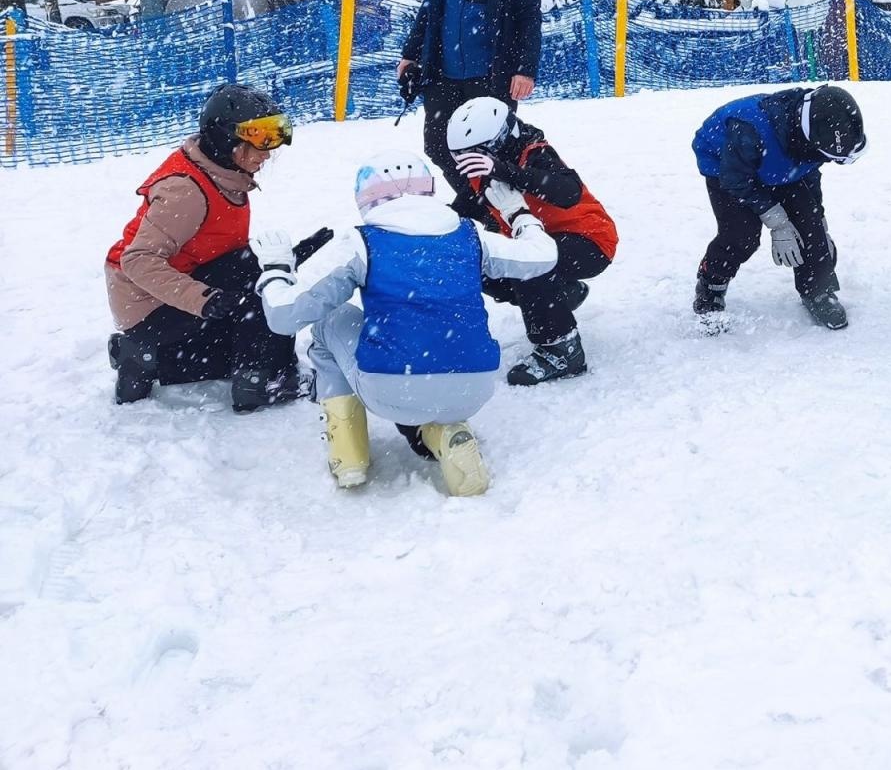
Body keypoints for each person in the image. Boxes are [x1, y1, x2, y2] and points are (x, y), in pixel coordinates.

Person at [253, 152, 559, 496]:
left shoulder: (361, 242)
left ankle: (349, 456)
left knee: (329, 320)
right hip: (474, 386)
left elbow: (284, 316)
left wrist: (276, 268)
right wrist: (518, 213)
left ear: (366, 199)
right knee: (429, 346)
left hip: (391, 387)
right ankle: (443, 432)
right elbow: (543, 257)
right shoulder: (470, 234)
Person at [104, 84, 320, 412]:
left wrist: (287, 258)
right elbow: (138, 260)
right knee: (262, 285)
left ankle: (144, 357)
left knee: (248, 304)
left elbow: (219, 247)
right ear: (224, 137)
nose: (267, 152)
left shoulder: (220, 171)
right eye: (259, 138)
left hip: (167, 290)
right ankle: (260, 382)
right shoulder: (186, 190)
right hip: (147, 302)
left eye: (274, 136)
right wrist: (203, 299)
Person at [446, 96, 618, 385]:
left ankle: (562, 348)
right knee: (479, 264)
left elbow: (568, 192)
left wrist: (504, 171)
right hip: (541, 240)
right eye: (460, 157)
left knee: (528, 263)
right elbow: (461, 211)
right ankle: (560, 295)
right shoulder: (483, 173)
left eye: (474, 155)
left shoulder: (535, 154)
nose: (467, 164)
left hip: (590, 242)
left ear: (498, 141)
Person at [397, 0, 543, 200]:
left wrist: (526, 69)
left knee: (491, 150)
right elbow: (430, 7)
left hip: (491, 76)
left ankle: (504, 209)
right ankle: (481, 205)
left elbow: (529, 19)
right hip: (443, 74)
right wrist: (411, 53)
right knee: (438, 145)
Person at [692, 85, 866, 331]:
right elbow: (735, 180)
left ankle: (817, 289)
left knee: (810, 224)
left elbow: (809, 174)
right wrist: (777, 221)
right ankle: (711, 285)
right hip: (728, 171)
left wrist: (819, 219)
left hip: (779, 166)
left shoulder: (812, 137)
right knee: (741, 235)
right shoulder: (749, 129)